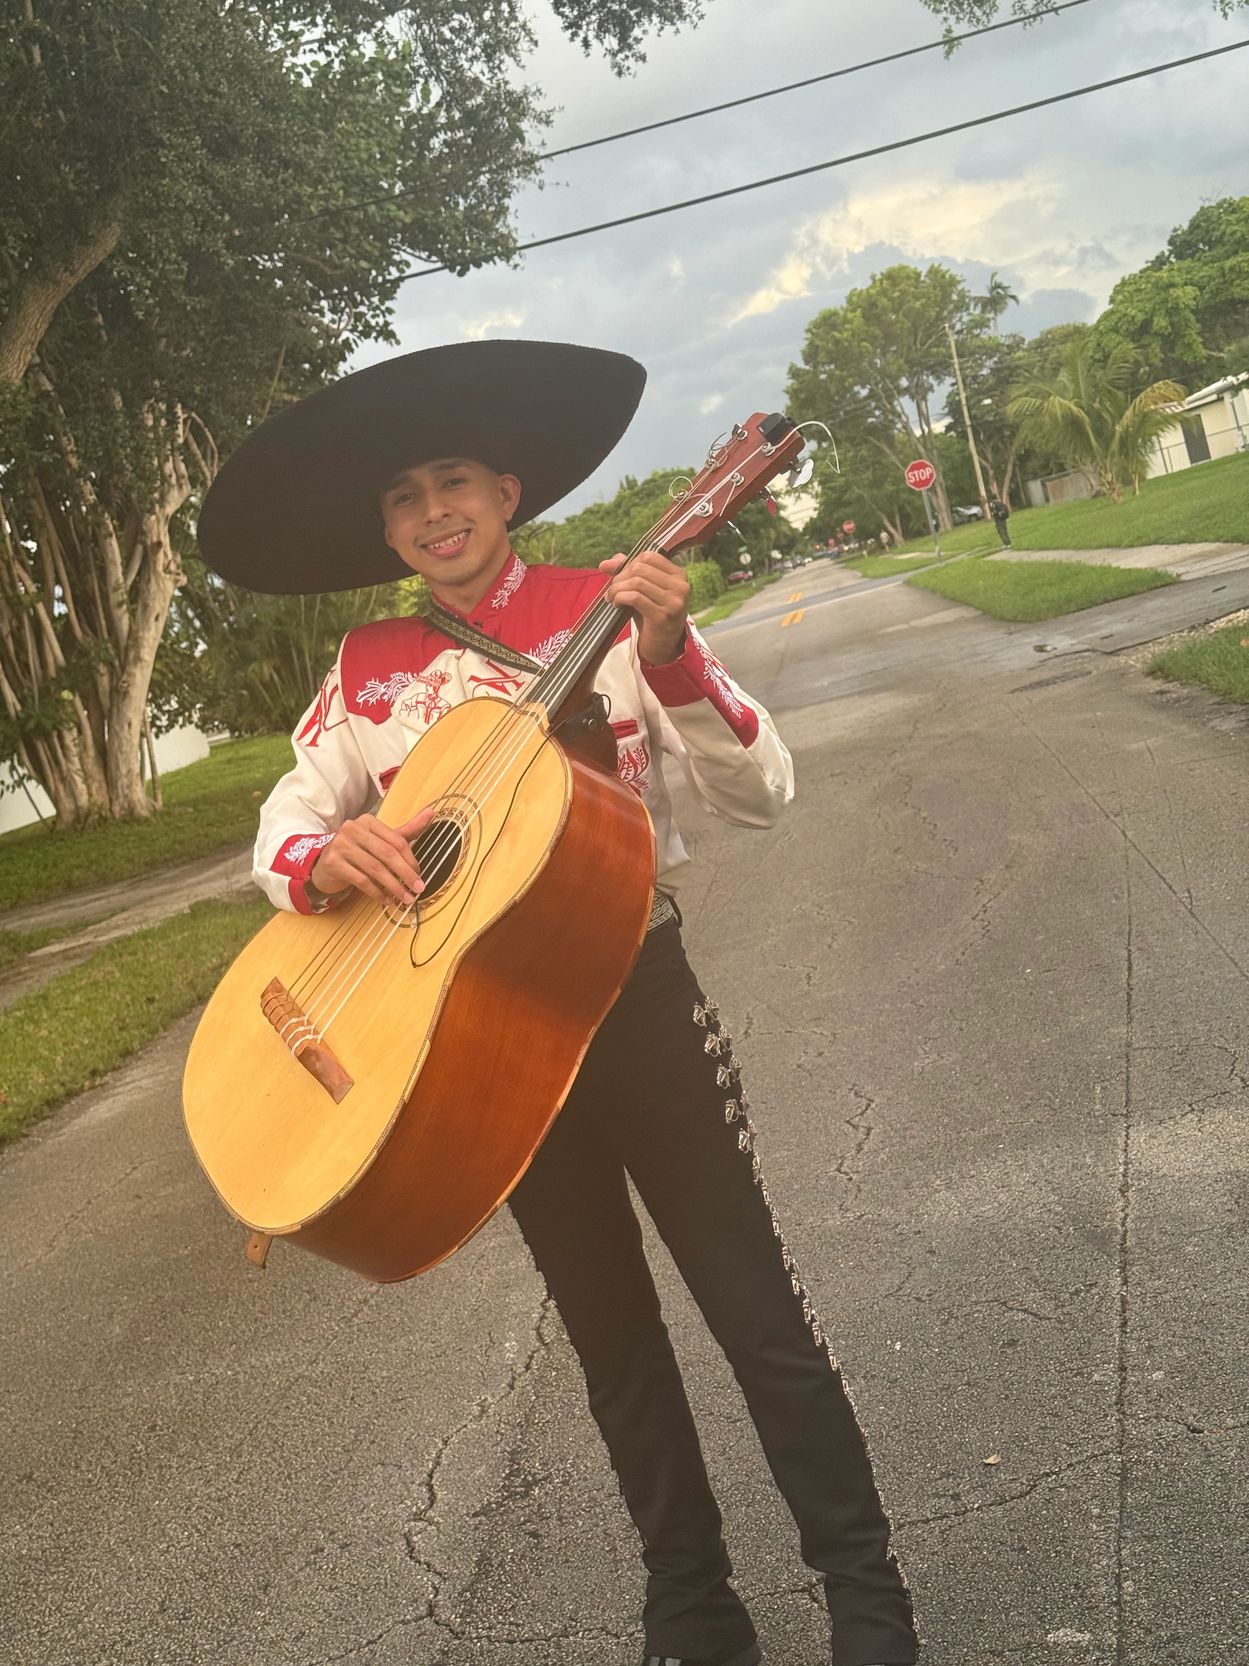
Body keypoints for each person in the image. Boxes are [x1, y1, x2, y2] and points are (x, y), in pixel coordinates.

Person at [197, 340, 918, 1666]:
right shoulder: (366, 666)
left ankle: (864, 1596)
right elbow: (283, 823)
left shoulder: (616, 601)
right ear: (388, 527)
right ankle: (693, 1608)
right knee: (611, 1341)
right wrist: (319, 859)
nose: (433, 512)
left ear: (507, 488)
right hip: (479, 1042)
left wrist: (677, 647)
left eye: (454, 480)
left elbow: (765, 792)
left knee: (753, 1310)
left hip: (633, 995)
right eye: (405, 496)